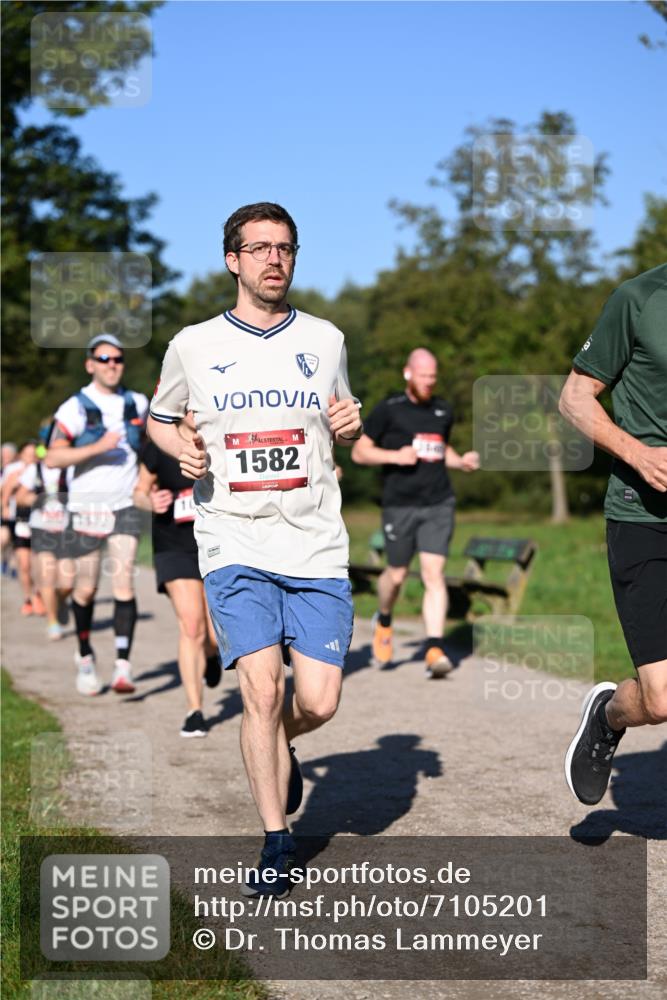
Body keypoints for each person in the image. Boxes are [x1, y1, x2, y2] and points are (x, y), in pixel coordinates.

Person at [147, 202, 362, 895]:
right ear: (232, 259)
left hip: (315, 543)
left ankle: (284, 743)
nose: (275, 259)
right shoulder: (193, 344)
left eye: (286, 248)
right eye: (260, 248)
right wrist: (178, 445)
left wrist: (351, 426)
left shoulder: (326, 340)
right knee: (261, 689)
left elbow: (343, 430)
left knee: (319, 701)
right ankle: (276, 838)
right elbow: (156, 419)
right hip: (232, 537)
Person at [560, 263, 667, 806]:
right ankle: (608, 715)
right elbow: (574, 398)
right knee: (662, 698)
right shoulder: (640, 298)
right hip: (644, 518)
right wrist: (639, 455)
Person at [351, 348, 479, 677]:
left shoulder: (442, 410)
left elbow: (441, 448)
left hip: (438, 502)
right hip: (400, 504)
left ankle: (434, 647)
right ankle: (384, 618)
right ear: (409, 373)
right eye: (423, 376)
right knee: (395, 576)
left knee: (433, 575)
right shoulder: (389, 410)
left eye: (433, 377)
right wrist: (395, 457)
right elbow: (360, 452)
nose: (429, 382)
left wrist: (460, 460)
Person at [46, 334, 148, 696]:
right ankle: (85, 655)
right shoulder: (74, 407)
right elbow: (53, 457)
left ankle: (123, 665)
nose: (112, 364)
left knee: (124, 584)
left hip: (123, 505)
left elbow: (153, 446)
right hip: (85, 508)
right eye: (103, 359)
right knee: (86, 589)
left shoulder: (137, 403)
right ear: (90, 364)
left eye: (117, 358)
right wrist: (95, 448)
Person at [133, 411, 221, 737]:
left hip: (216, 545)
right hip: (174, 545)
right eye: (191, 405)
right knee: (192, 625)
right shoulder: (159, 445)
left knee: (213, 635)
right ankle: (194, 710)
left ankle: (211, 654)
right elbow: (139, 491)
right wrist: (150, 500)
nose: (197, 411)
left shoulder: (220, 439)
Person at [15, 426, 72, 640]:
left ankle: (59, 601)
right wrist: (37, 500)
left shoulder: (71, 469)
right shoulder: (35, 470)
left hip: (66, 530)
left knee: (67, 582)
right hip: (42, 529)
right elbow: (20, 497)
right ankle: (52, 622)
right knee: (47, 576)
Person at [1, 440, 44, 615]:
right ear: (21, 455)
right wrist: (4, 507)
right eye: (27, 454)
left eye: (34, 454)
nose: (31, 457)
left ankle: (39, 594)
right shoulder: (15, 470)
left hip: (42, 522)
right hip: (19, 519)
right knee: (24, 564)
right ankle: (29, 598)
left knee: (38, 564)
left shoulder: (43, 469)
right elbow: (5, 491)